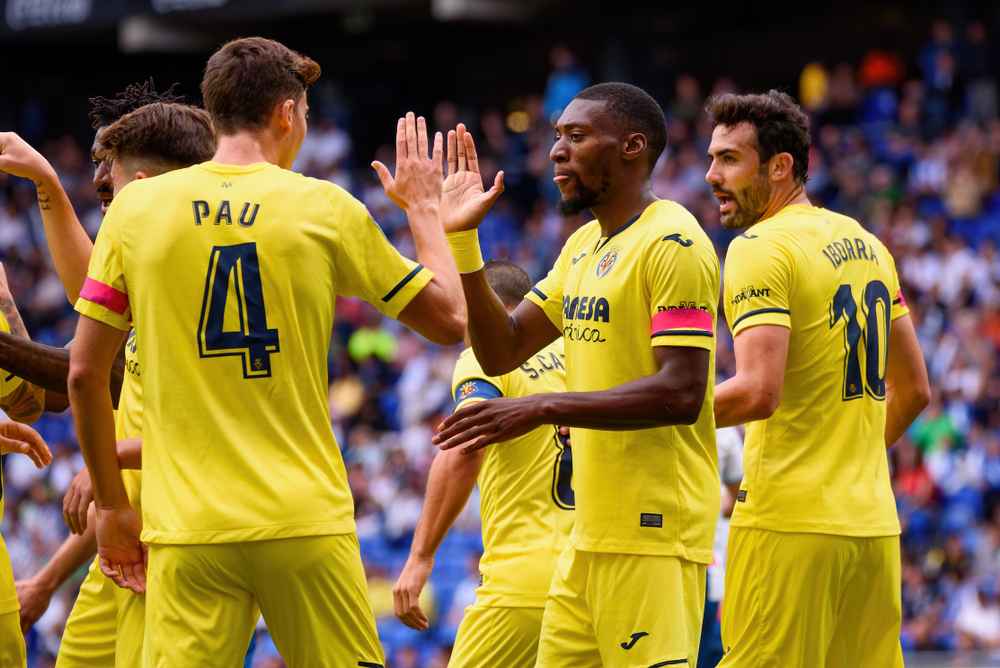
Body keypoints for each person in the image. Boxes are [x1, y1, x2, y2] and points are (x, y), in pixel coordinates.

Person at [68, 37, 465, 667]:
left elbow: (85, 373)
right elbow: (451, 319)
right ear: (287, 113)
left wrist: (115, 508)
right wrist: (423, 209)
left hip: (188, 529)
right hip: (303, 519)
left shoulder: (135, 207)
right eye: (304, 114)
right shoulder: (325, 207)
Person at [432, 82, 720, 668]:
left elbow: (684, 391)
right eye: (557, 137)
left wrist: (542, 407)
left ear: (633, 146)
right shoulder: (583, 246)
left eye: (577, 136)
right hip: (585, 540)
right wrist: (463, 242)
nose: (556, 151)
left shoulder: (674, 240)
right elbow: (501, 351)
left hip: (652, 534)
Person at [0, 83, 233, 668]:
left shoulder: (198, 275)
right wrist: (48, 185)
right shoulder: (142, 254)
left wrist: (114, 457)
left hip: (188, 534)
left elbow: (73, 381)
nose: (98, 180)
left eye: (110, 166)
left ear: (150, 180)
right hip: (128, 535)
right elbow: (88, 313)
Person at [706, 90, 931, 667]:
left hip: (789, 525)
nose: (711, 175)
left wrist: (637, 416)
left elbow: (758, 390)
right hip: (873, 528)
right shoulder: (868, 244)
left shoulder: (759, 247)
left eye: (730, 159)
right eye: (712, 159)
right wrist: (844, 458)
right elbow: (916, 390)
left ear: (780, 166)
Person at [393, 259, 573, 668]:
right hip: (592, 575)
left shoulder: (487, 355)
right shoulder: (582, 353)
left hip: (523, 580)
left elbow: (465, 446)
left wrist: (420, 556)